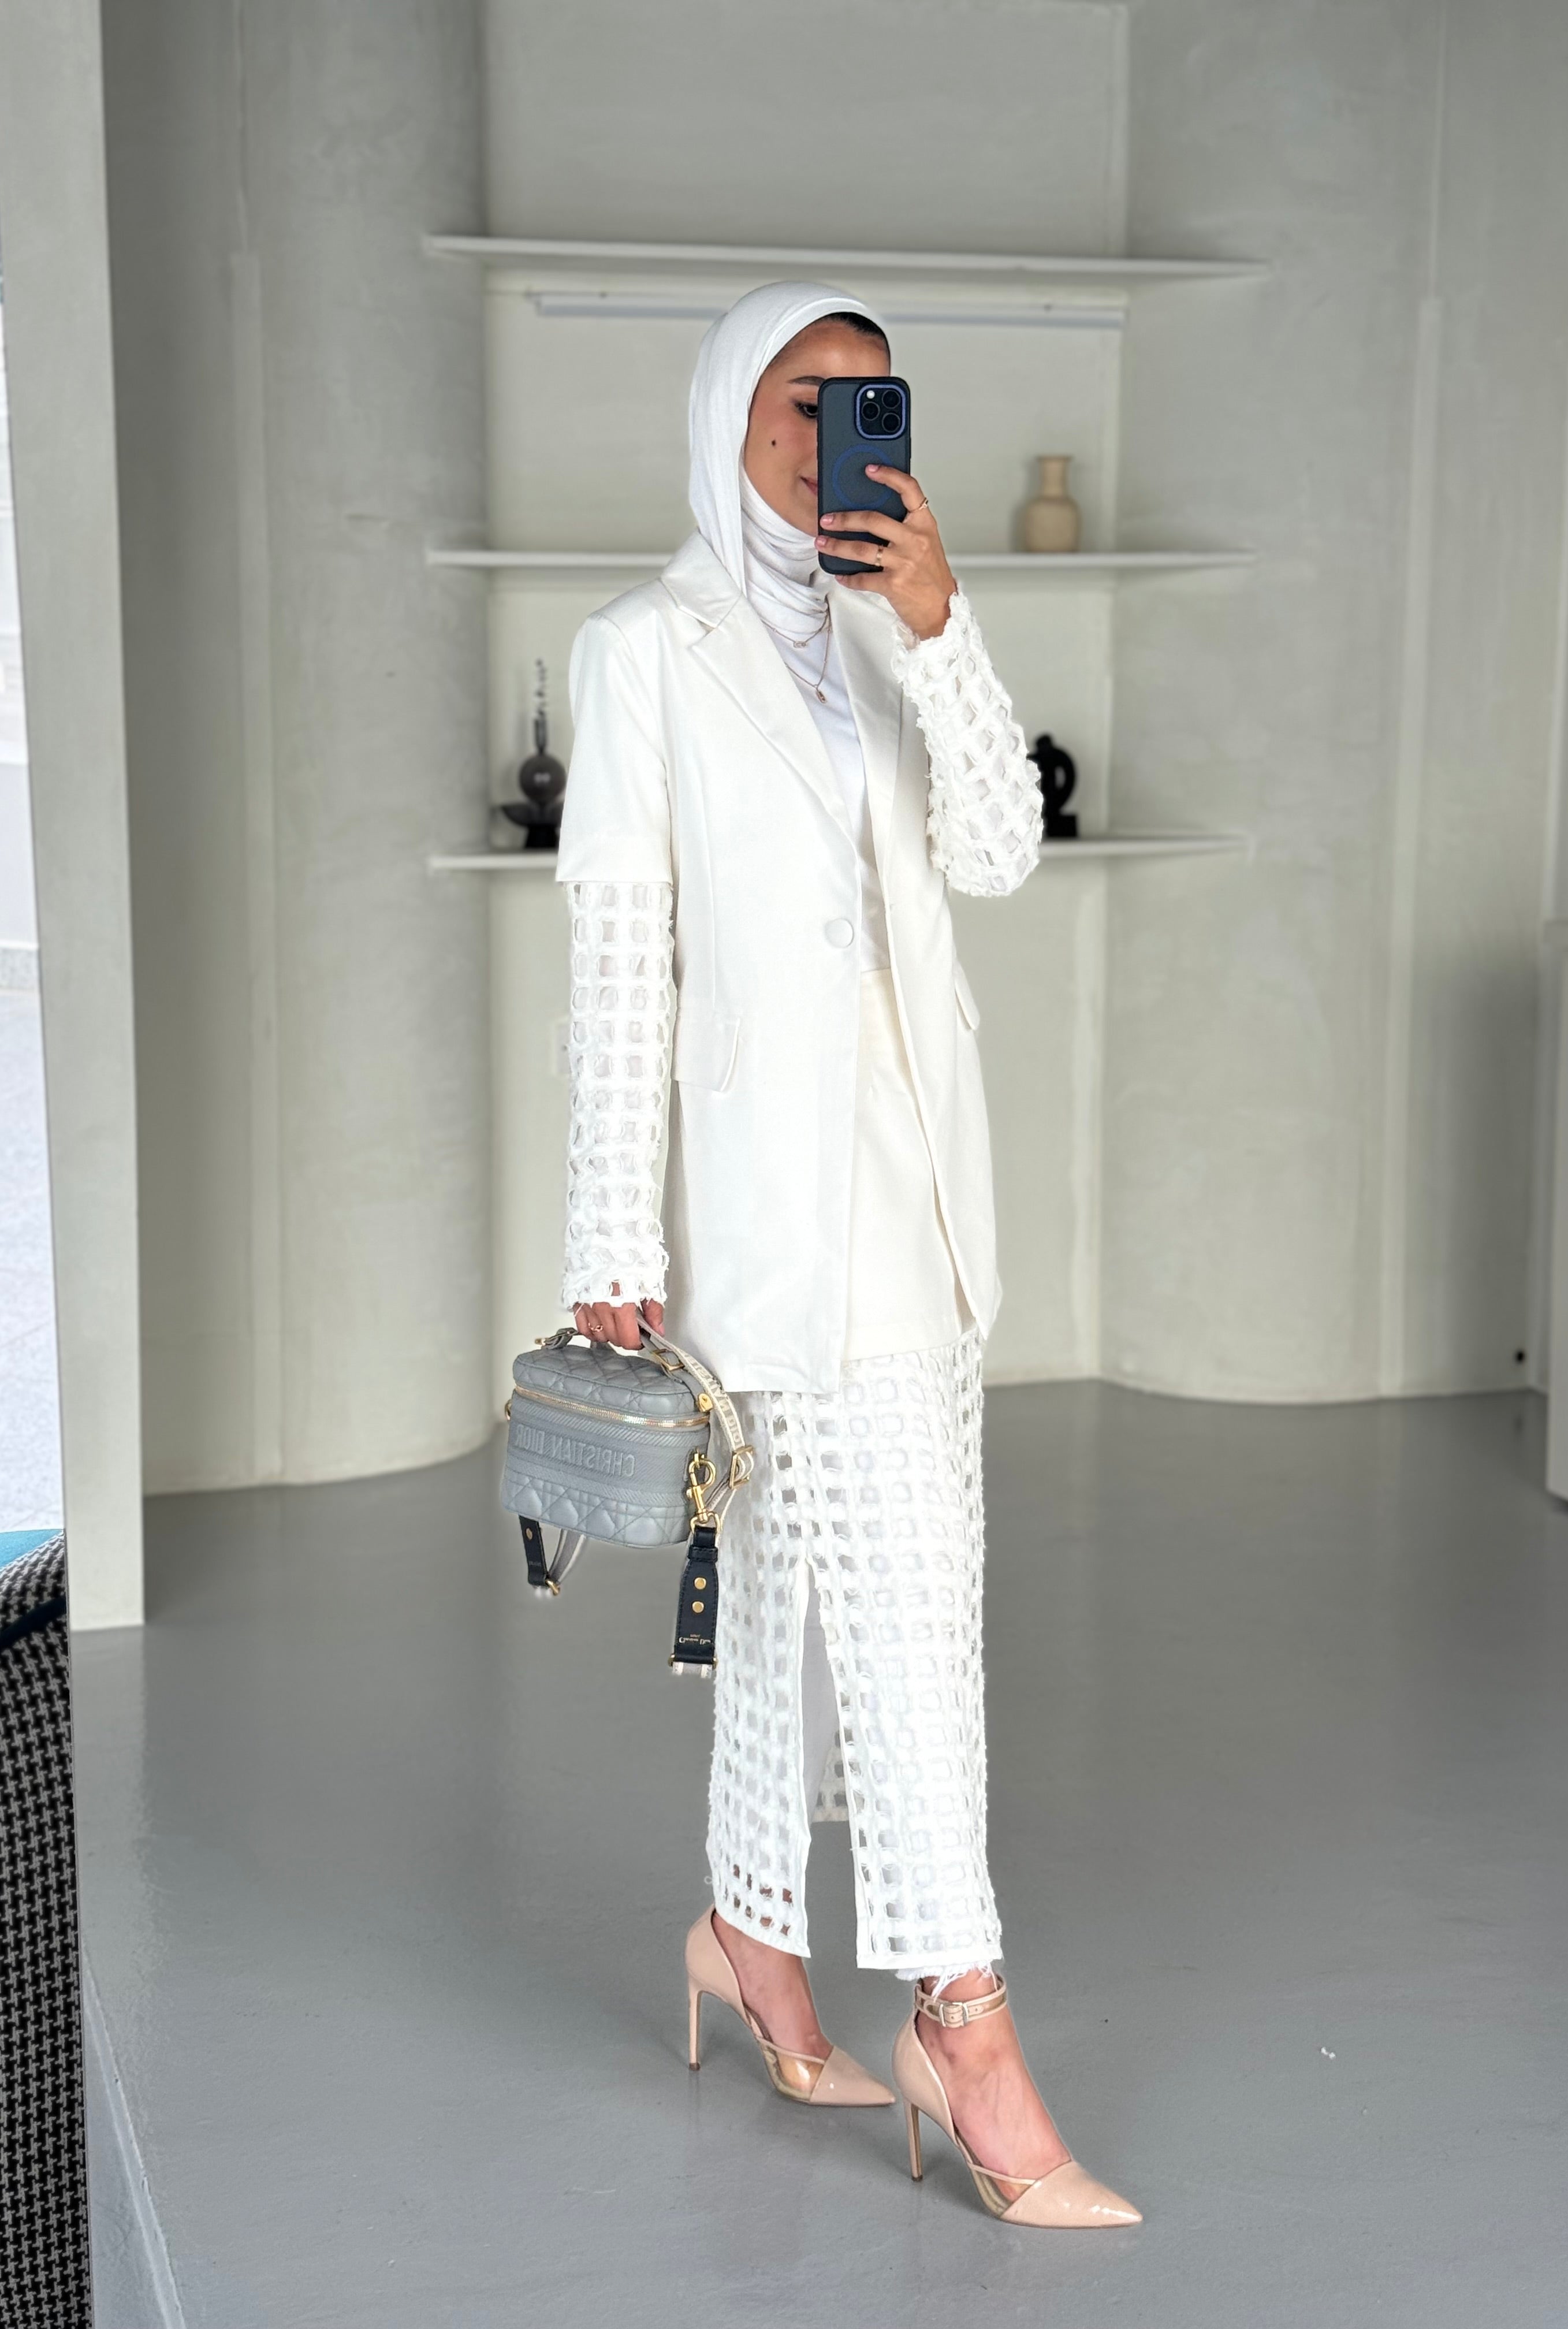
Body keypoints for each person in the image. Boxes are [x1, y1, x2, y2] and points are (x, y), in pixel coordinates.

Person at [554, 280, 1138, 2230]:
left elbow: (999, 856)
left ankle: (747, 1927)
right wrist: (608, 1233)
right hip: (767, 1220)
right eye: (802, 401)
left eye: (870, 403)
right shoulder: (641, 653)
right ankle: (965, 2021)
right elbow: (622, 953)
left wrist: (944, 628)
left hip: (924, 1208)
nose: (833, 438)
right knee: (883, 1623)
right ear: (728, 416)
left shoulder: (898, 634)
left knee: (827, 1601)